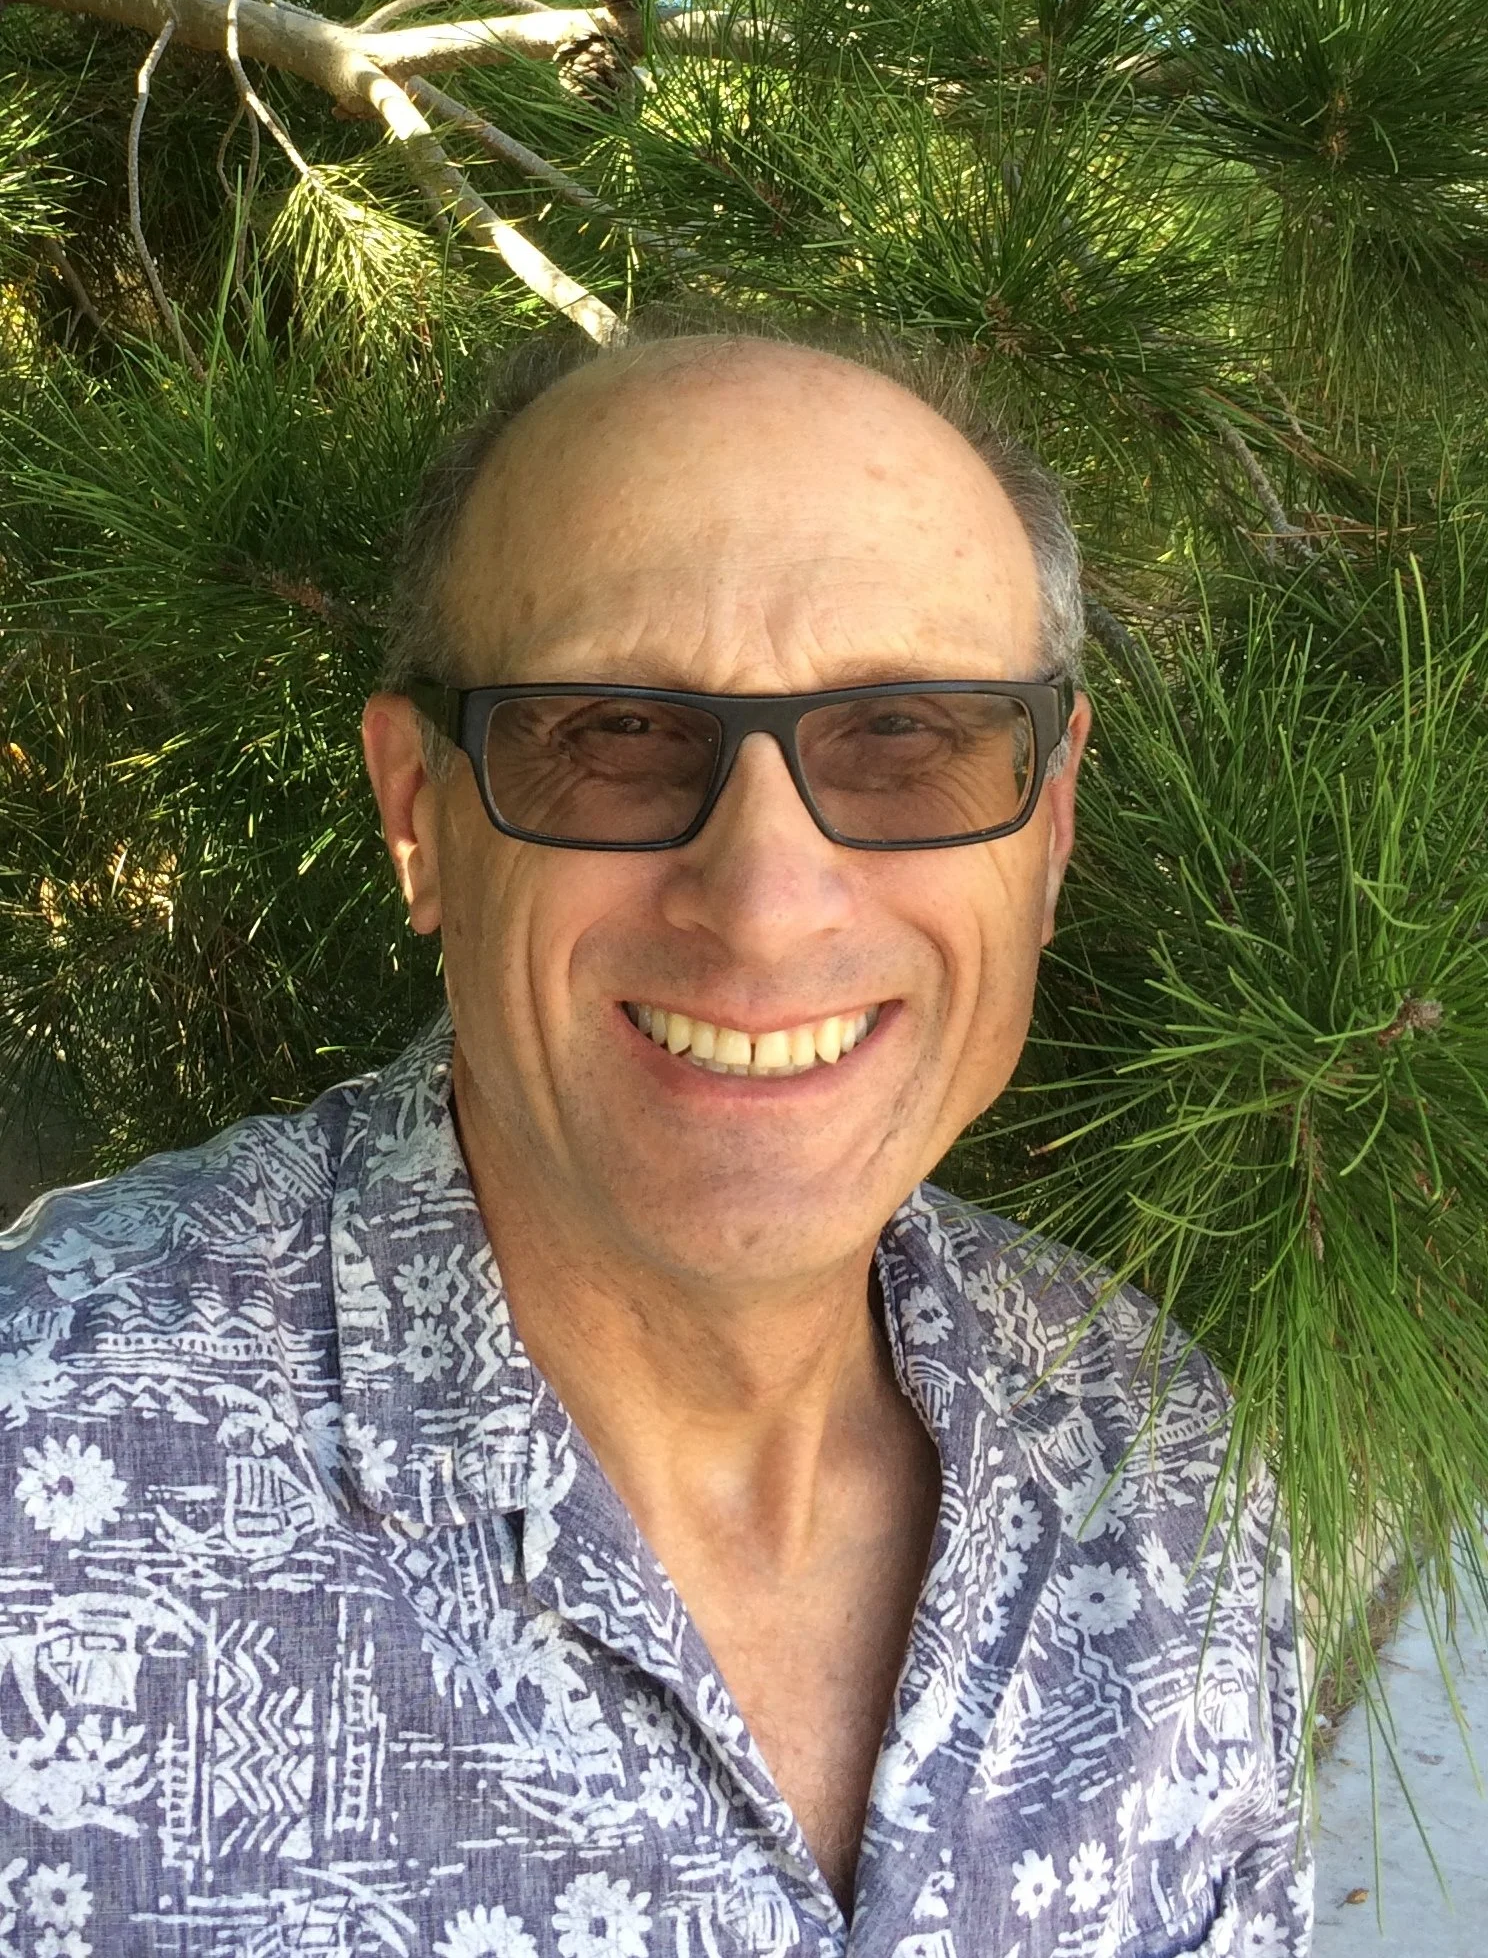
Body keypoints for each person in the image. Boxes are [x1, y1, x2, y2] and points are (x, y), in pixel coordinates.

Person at [0, 318, 1310, 1957]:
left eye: (904, 736)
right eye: (613, 735)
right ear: (418, 815)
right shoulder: (42, 1488)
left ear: (1047, 828)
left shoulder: (1159, 1457)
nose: (763, 902)